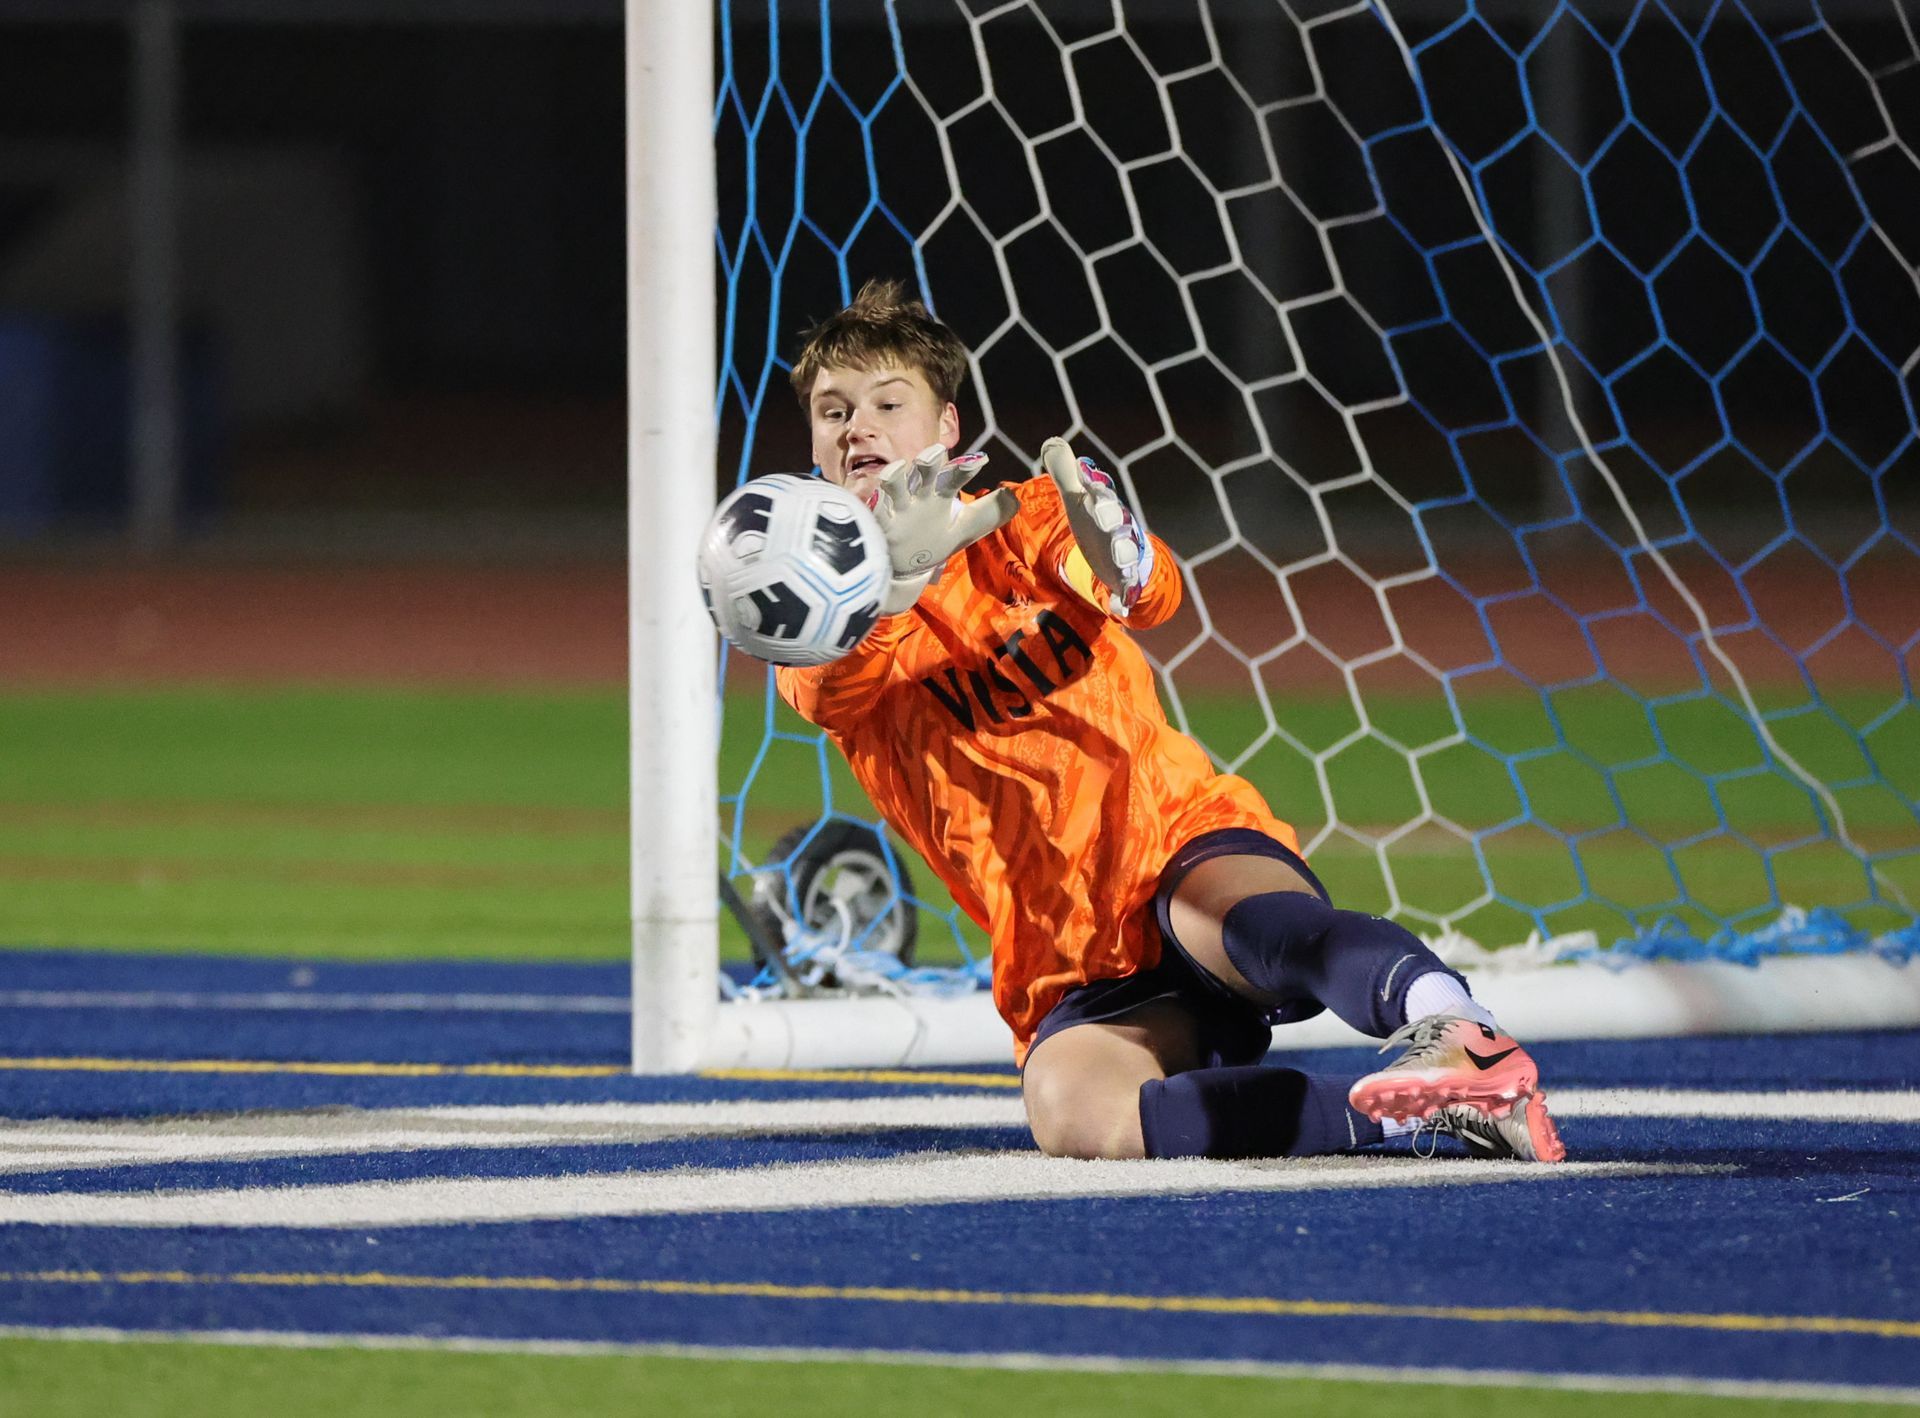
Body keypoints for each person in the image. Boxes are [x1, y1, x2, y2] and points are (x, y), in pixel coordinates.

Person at [773, 278, 1564, 1165]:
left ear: (947, 428)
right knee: (1079, 1118)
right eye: (833, 411)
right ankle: (1425, 1110)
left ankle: (1461, 1028)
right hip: (1065, 958)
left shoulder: (1024, 519)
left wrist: (1123, 551)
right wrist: (896, 584)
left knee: (1250, 924)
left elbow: (1145, 594)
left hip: (1172, 844)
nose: (859, 429)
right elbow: (824, 690)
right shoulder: (818, 607)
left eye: (888, 403)